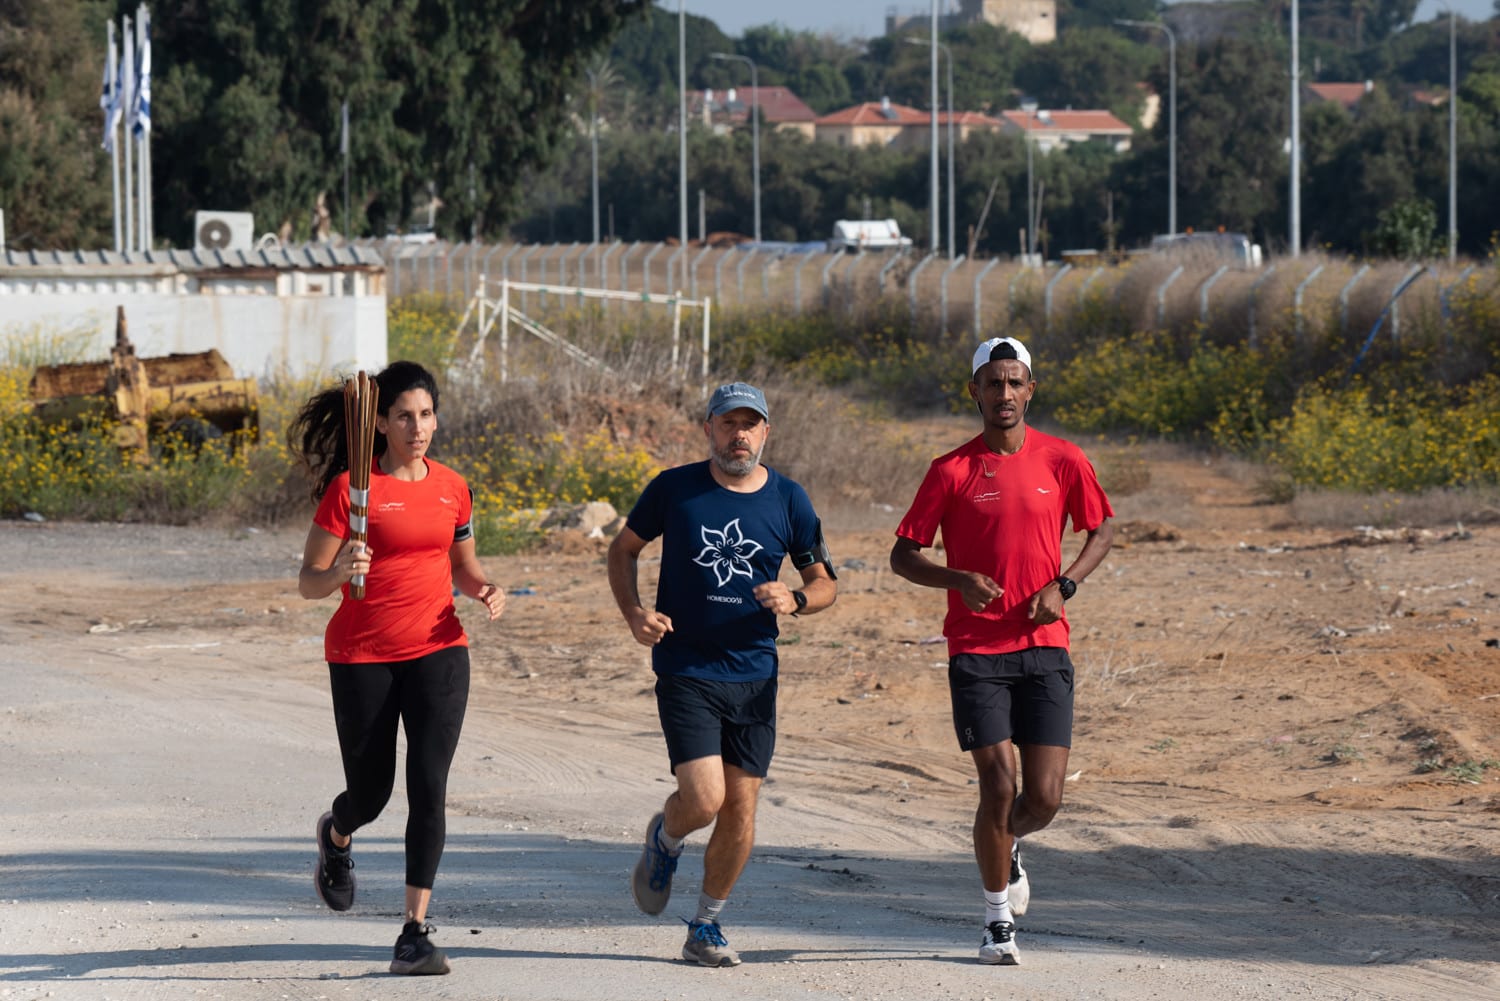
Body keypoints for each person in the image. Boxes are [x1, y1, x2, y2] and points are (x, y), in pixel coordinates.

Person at [889, 337, 1114, 966]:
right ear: (975, 392)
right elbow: (903, 554)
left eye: (1015, 383)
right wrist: (957, 579)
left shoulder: (1063, 459)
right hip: (976, 650)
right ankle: (995, 924)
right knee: (997, 784)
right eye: (993, 383)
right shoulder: (950, 470)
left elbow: (1101, 530)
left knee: (1042, 798)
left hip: (1046, 645)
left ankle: (1008, 843)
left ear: (1031, 390)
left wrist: (1065, 583)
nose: (1005, 394)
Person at [607, 381, 838, 967]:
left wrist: (797, 600)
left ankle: (705, 926)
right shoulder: (675, 489)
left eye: (750, 424)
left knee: (740, 808)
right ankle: (667, 836)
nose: (740, 435)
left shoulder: (789, 499)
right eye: (728, 423)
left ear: (766, 432)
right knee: (705, 799)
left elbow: (825, 582)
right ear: (708, 428)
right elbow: (623, 549)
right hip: (686, 666)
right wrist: (636, 614)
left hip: (756, 674)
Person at [290, 360, 506, 976]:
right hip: (361, 655)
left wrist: (484, 588)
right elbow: (309, 581)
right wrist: (340, 572)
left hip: (440, 648)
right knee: (372, 793)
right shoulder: (350, 492)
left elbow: (464, 565)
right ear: (380, 423)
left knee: (429, 784)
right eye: (405, 416)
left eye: (427, 414)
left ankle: (414, 930)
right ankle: (337, 835)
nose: (419, 427)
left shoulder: (453, 487)